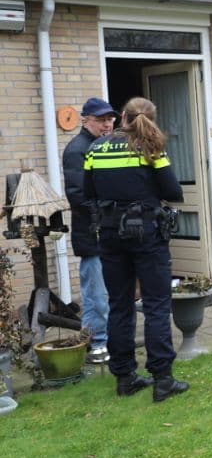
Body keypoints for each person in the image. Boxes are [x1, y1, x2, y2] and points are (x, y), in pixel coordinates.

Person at [84, 97, 188, 402]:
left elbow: (89, 192)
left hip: (111, 236)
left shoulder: (96, 148)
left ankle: (125, 377)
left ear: (123, 117)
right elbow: (173, 192)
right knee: (156, 304)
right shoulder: (150, 148)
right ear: (150, 119)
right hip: (146, 234)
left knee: (120, 305)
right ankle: (163, 380)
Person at [61, 97, 118, 364]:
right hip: (91, 233)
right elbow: (78, 195)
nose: (107, 124)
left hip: (105, 232)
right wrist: (106, 218)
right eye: (101, 120)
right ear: (86, 120)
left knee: (105, 290)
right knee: (96, 293)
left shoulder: (103, 146)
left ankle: (96, 341)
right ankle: (96, 344)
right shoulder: (78, 149)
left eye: (110, 119)